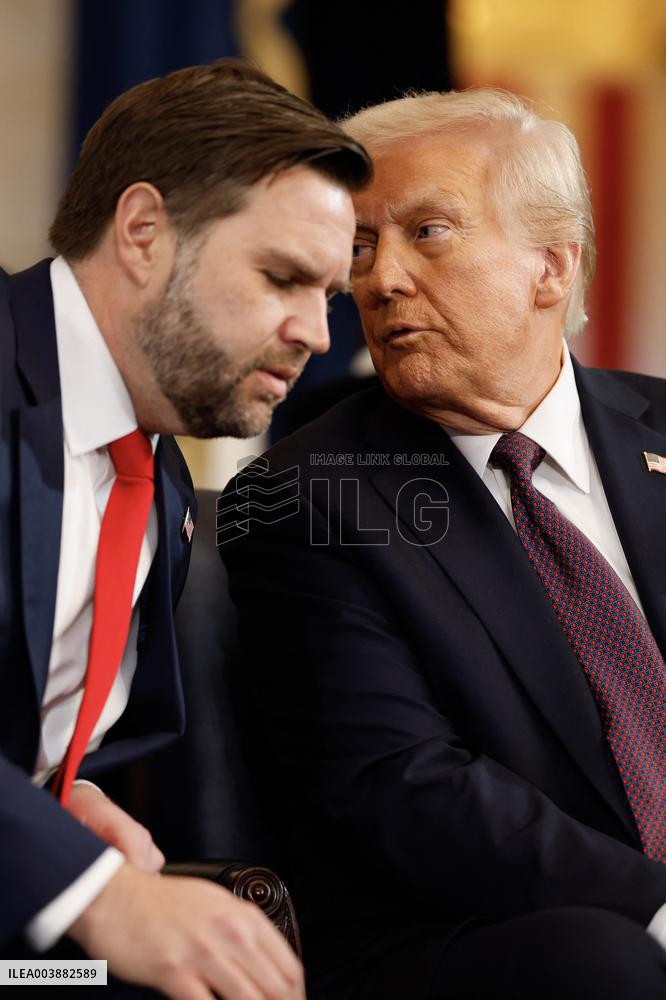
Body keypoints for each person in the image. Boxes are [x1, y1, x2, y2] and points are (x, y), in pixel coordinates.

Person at [219, 89, 666, 998]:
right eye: (360, 246)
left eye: (427, 232)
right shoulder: (303, 496)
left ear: (551, 266)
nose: (380, 280)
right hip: (489, 941)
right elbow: (401, 785)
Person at [0, 58, 370, 999]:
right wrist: (95, 893)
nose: (319, 335)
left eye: (328, 297)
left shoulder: (158, 476)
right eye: (283, 277)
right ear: (143, 231)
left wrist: (66, 797)